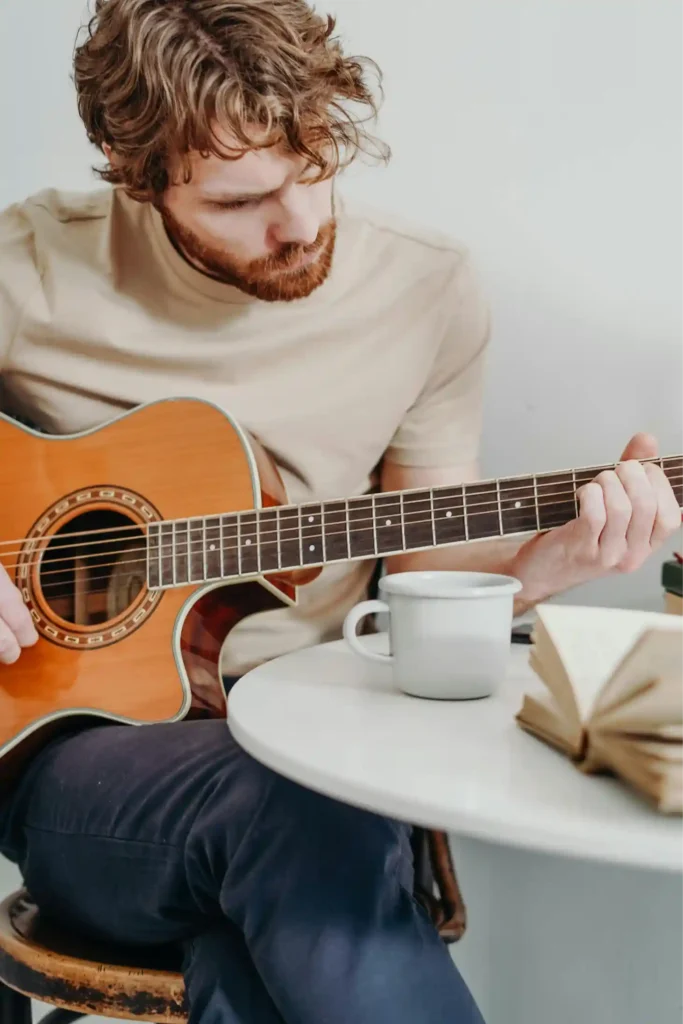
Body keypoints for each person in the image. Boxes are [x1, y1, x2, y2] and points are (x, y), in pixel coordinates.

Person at [0, 2, 679, 1022]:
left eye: (315, 167)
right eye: (239, 201)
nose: (300, 221)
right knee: (299, 802)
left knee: (275, 906)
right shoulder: (26, 269)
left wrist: (557, 561)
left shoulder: (426, 287)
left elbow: (422, 582)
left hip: (325, 743)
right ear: (131, 169)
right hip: (81, 763)